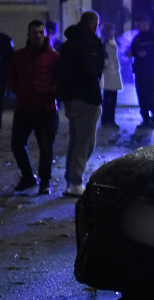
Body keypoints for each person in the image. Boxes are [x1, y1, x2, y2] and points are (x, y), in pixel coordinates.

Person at [55, 12, 106, 197]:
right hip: (86, 98)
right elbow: (92, 72)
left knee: (76, 139)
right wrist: (94, 96)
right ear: (94, 24)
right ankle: (75, 181)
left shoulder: (69, 43)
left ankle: (71, 179)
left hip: (71, 97)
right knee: (85, 141)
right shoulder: (91, 43)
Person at [7, 20, 60, 195]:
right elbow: (12, 77)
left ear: (45, 34)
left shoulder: (54, 57)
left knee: (46, 147)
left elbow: (60, 81)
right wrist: (20, 91)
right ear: (28, 35)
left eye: (40, 32)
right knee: (17, 144)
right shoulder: (20, 56)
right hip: (24, 107)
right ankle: (28, 176)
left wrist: (49, 92)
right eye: (34, 32)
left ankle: (45, 181)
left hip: (46, 109)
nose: (37, 35)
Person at [128, 18, 154, 128]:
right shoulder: (137, 39)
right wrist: (133, 53)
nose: (138, 27)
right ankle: (145, 119)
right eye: (137, 25)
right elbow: (133, 50)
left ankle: (153, 118)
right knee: (141, 95)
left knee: (151, 95)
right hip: (139, 71)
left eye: (140, 24)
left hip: (150, 70)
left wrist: (147, 53)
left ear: (146, 24)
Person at [100, 23, 122, 127]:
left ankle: (110, 120)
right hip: (108, 75)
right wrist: (108, 64)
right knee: (108, 99)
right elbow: (102, 60)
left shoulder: (114, 42)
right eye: (111, 30)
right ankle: (107, 120)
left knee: (112, 99)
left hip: (113, 75)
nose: (112, 32)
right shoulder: (103, 44)